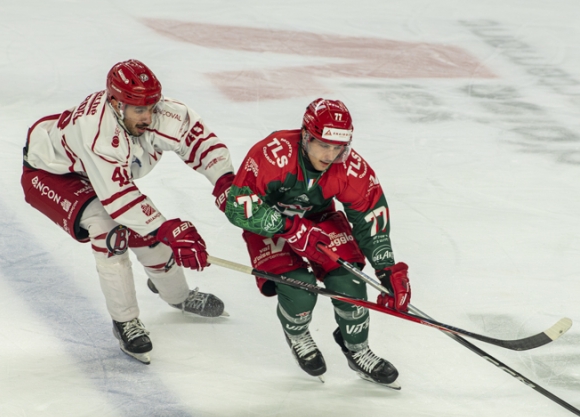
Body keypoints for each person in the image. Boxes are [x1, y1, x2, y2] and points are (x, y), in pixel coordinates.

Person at [21, 59, 235, 364]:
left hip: (101, 177)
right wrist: (168, 229)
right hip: (52, 174)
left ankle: (177, 296)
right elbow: (119, 200)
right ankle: (125, 321)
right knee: (110, 232)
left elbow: (202, 144)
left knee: (148, 234)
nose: (148, 116)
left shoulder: (163, 112)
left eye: (151, 106)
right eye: (138, 109)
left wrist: (225, 182)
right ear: (115, 103)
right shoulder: (96, 132)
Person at [223, 98, 412, 389]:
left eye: (339, 147)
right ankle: (297, 334)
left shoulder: (349, 167)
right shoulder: (273, 154)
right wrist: (288, 226)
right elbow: (238, 206)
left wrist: (387, 268)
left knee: (350, 283)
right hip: (269, 222)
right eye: (324, 145)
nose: (331, 155)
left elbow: (369, 213)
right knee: (300, 291)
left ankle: (357, 349)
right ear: (306, 136)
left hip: (319, 218)